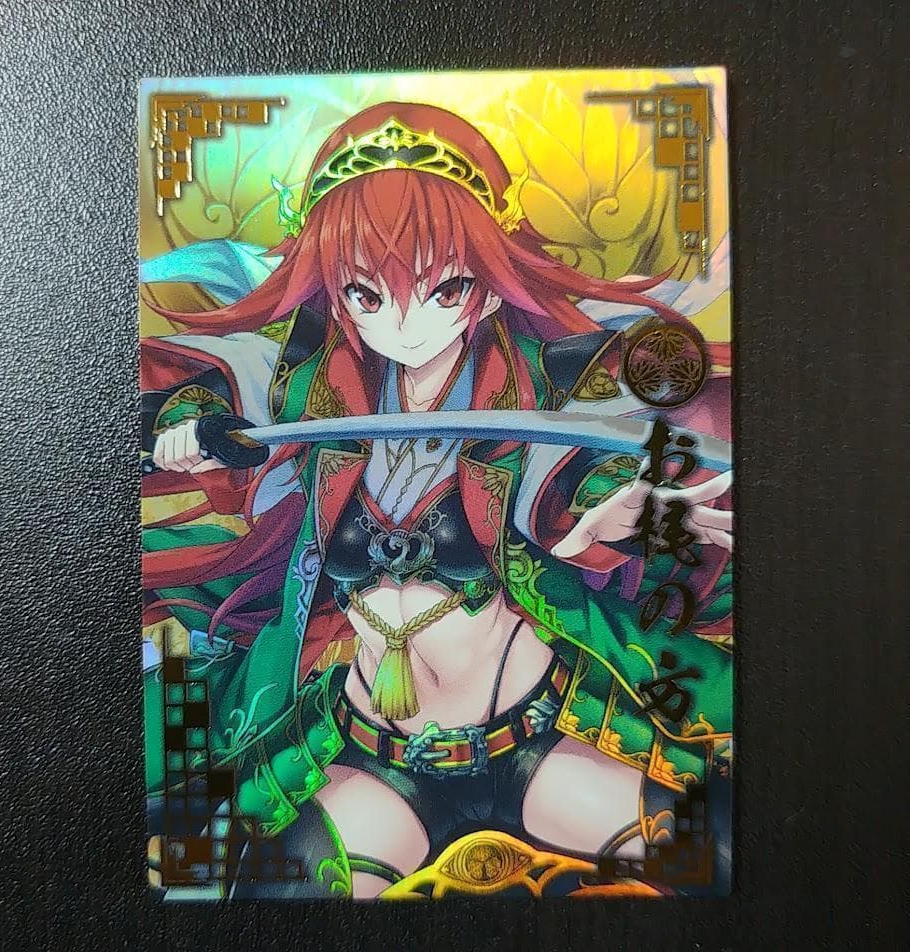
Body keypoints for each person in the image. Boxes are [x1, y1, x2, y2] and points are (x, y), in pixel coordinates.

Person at [141, 101, 733, 898]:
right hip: (376, 756)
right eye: (367, 294)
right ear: (336, 294)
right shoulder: (316, 385)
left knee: (717, 862)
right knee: (283, 900)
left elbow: (574, 487)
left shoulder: (534, 384)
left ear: (486, 289)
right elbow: (215, 383)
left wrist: (614, 518)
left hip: (538, 737)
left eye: (443, 288)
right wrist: (189, 426)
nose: (406, 322)